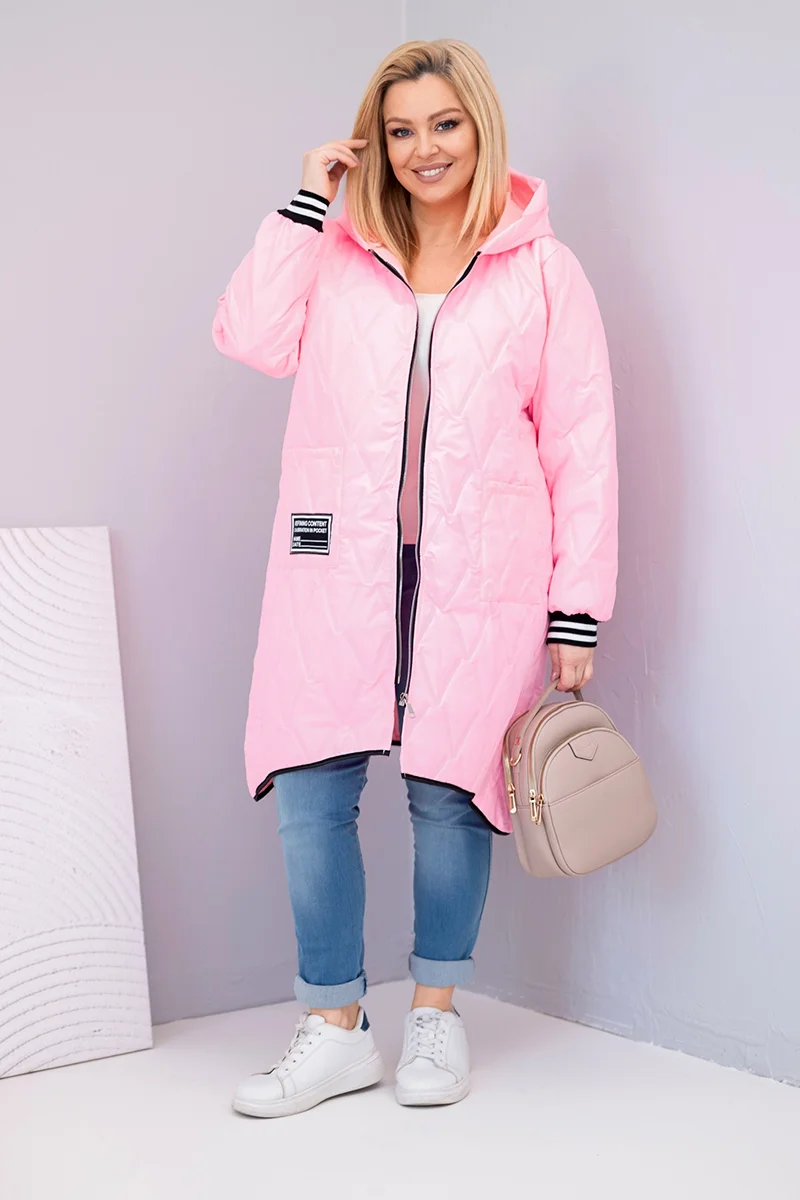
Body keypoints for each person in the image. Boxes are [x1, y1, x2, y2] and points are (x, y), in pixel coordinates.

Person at [212, 38, 618, 1118]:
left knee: (449, 794)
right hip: (333, 562)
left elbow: (581, 449)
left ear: (480, 129)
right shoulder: (337, 253)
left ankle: (434, 1013)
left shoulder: (543, 271)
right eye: (399, 131)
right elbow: (249, 336)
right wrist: (307, 202)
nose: (423, 148)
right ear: (374, 143)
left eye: (444, 124)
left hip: (483, 573)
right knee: (310, 789)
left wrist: (575, 610)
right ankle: (334, 1028)